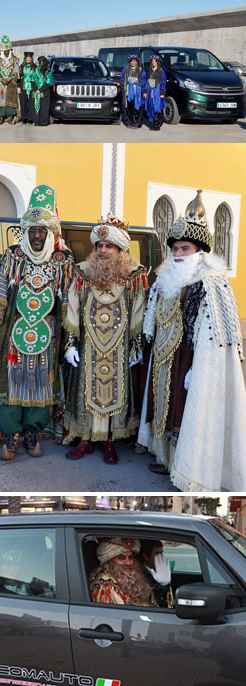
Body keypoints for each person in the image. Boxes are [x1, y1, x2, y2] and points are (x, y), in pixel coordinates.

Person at [139, 190, 246, 491]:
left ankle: (187, 468)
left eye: (184, 248)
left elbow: (217, 337)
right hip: (165, 359)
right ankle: (167, 460)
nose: (177, 254)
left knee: (185, 415)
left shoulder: (212, 284)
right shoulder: (165, 278)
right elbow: (153, 314)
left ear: (199, 251)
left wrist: (197, 369)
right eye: (174, 247)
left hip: (190, 360)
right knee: (166, 411)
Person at [0, 184, 72, 458]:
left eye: (43, 231)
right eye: (33, 231)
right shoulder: (13, 257)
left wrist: (69, 338)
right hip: (14, 337)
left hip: (47, 337)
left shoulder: (62, 261)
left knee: (41, 385)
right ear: (26, 232)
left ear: (50, 233)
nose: (38, 236)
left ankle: (33, 434)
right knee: (13, 384)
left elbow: (69, 303)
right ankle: (13, 435)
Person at [63, 216, 148, 463]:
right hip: (88, 346)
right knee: (87, 392)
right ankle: (86, 440)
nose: (102, 251)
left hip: (118, 348)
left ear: (120, 249)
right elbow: (72, 309)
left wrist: (136, 346)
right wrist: (70, 344)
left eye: (108, 246)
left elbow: (138, 312)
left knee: (114, 393)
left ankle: (109, 442)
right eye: (99, 245)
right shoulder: (81, 272)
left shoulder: (134, 275)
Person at [89, 537, 173, 607]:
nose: (129, 563)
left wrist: (162, 586)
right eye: (121, 558)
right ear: (108, 561)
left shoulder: (132, 580)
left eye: (130, 557)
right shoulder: (106, 586)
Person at [0, 35, 20, 124]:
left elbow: (16, 71)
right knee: (0, 100)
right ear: (2, 51)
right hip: (0, 83)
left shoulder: (14, 60)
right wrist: (2, 79)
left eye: (7, 50)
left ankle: (10, 116)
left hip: (10, 83)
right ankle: (1, 116)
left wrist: (9, 79)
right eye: (5, 51)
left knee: (10, 100)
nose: (6, 52)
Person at [139, 539, 173, 607]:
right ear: (146, 556)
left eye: (161, 553)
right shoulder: (140, 574)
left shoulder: (161, 572)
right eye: (157, 554)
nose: (161, 557)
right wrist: (162, 585)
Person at [121, 53, 145, 128]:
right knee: (128, 107)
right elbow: (122, 79)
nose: (133, 63)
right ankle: (129, 122)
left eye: (134, 61)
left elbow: (144, 82)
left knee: (137, 107)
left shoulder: (141, 71)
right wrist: (121, 83)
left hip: (138, 92)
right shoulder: (125, 70)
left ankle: (137, 123)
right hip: (128, 91)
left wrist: (144, 91)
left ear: (137, 62)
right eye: (131, 61)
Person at [28, 56, 53, 126]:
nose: (36, 62)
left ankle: (44, 121)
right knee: (35, 108)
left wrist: (40, 90)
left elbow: (48, 82)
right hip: (36, 92)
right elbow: (32, 81)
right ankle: (37, 121)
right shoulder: (34, 71)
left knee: (44, 108)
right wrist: (36, 89)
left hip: (44, 92)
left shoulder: (48, 71)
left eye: (38, 61)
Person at [144, 54, 166, 131]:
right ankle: (151, 124)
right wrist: (145, 91)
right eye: (152, 61)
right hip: (150, 91)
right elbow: (146, 82)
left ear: (158, 62)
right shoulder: (149, 71)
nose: (153, 62)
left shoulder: (161, 72)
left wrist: (162, 93)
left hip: (157, 92)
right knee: (150, 107)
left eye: (155, 61)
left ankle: (157, 125)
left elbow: (163, 84)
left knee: (157, 108)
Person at [18, 52, 36, 123]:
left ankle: (31, 117)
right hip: (23, 86)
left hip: (32, 86)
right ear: (25, 59)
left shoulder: (34, 67)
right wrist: (18, 86)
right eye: (27, 58)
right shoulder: (22, 67)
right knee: (23, 102)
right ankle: (24, 117)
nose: (28, 60)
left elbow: (37, 77)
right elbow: (18, 78)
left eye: (29, 58)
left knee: (31, 103)